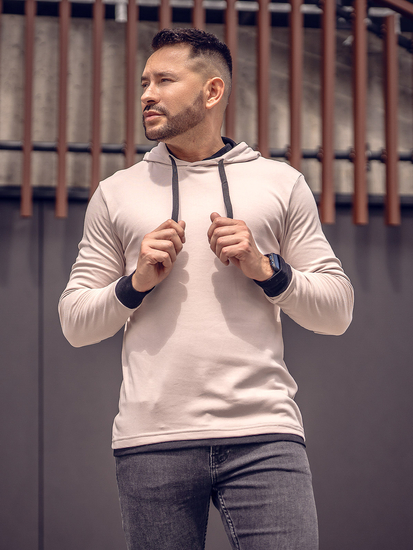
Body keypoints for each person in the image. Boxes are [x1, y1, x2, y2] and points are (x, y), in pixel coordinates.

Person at [59, 28, 354, 550]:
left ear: (212, 91)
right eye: (144, 82)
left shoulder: (280, 183)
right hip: (153, 440)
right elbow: (74, 323)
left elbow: (337, 311)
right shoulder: (116, 193)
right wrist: (135, 284)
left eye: (164, 80)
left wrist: (268, 269)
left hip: (264, 435)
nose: (147, 94)